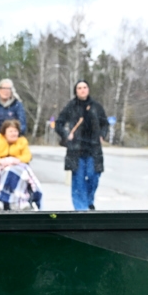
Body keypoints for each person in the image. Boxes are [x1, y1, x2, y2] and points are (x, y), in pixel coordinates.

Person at [55, 80, 108, 211]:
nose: (82, 90)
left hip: (93, 148)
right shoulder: (71, 106)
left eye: (85, 87)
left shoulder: (96, 106)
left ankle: (89, 202)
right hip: (76, 149)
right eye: (79, 88)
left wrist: (102, 135)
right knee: (78, 180)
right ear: (76, 91)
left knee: (93, 176)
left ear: (88, 89)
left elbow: (105, 123)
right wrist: (66, 134)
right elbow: (59, 123)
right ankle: (81, 208)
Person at [0, 119, 41, 209]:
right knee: (2, 173)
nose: (13, 133)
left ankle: (22, 200)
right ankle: (0, 199)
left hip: (18, 166)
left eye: (15, 131)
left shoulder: (22, 141)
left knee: (22, 173)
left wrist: (16, 160)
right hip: (0, 166)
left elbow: (27, 156)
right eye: (10, 131)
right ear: (4, 132)